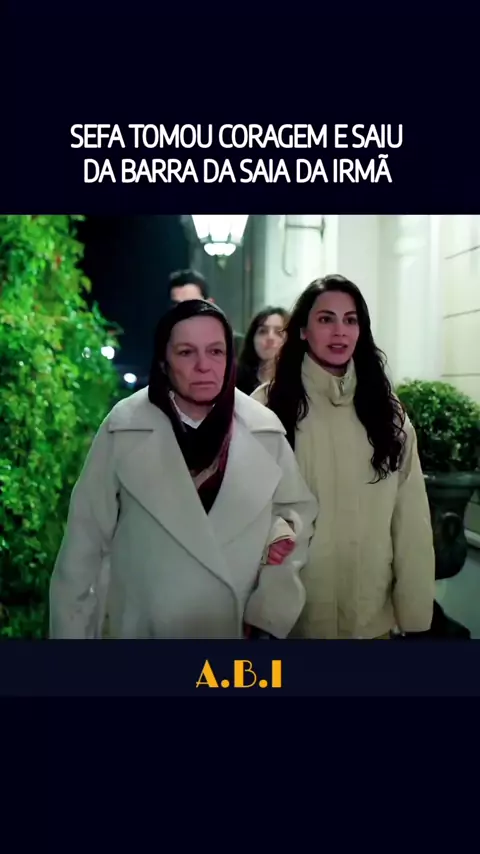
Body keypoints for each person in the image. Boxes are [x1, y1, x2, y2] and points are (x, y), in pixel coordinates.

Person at [49, 299, 318, 640]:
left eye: (216, 351)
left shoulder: (264, 429)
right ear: (164, 361)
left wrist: (270, 611)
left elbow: (296, 520)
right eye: (187, 352)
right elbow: (83, 545)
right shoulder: (126, 426)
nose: (204, 366)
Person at [251, 274, 436, 640]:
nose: (340, 331)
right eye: (326, 319)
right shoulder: (267, 407)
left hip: (370, 620)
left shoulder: (388, 414)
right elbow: (246, 508)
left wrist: (414, 613)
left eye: (350, 320)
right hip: (292, 622)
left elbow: (411, 520)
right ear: (302, 330)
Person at [168, 268, 245, 357]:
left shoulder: (237, 346)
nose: (183, 310)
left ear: (209, 304)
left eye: (191, 304)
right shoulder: (166, 345)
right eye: (176, 304)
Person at [236, 306, 289, 396]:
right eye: (263, 331)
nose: (270, 337)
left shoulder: (301, 385)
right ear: (252, 338)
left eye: (279, 332)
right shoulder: (236, 383)